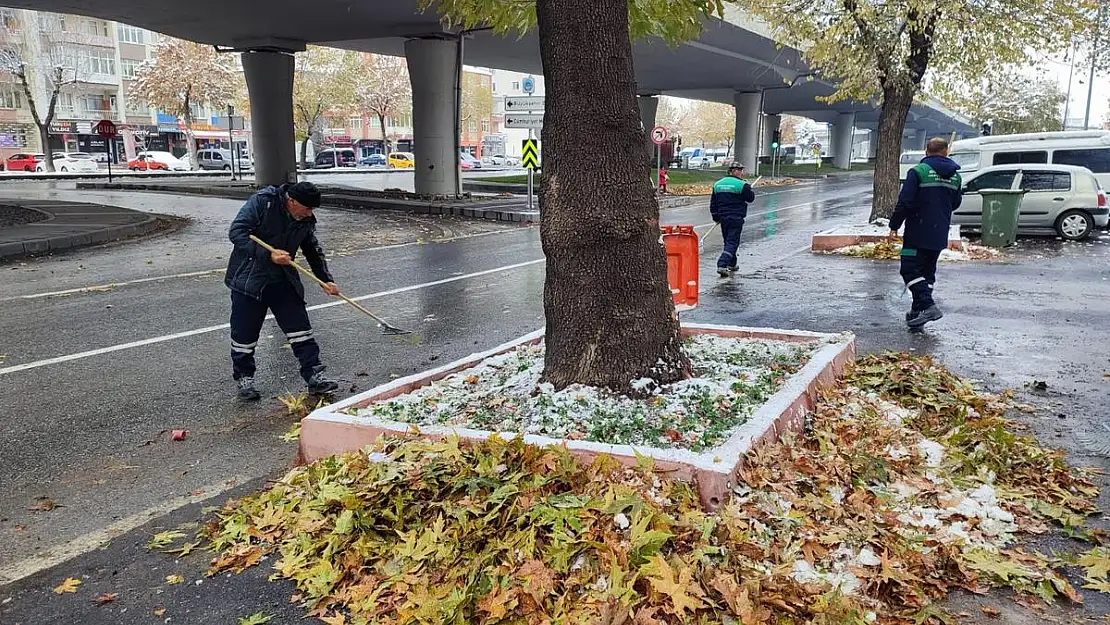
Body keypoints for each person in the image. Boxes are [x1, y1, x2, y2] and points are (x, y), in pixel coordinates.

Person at [224, 181, 341, 400]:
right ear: (291, 201)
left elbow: (313, 250)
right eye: (307, 208)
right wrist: (268, 254)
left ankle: (315, 375)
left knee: (300, 329)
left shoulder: (304, 220)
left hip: (283, 278)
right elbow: (237, 232)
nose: (309, 213)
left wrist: (325, 279)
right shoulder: (263, 202)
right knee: (244, 334)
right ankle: (244, 379)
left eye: (312, 210)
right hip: (249, 280)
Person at [889, 137, 963, 329]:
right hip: (939, 233)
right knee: (927, 273)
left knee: (908, 268)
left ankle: (928, 306)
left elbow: (905, 202)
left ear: (926, 151)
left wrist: (894, 224)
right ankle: (917, 312)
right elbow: (955, 203)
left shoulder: (918, 172)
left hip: (917, 233)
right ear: (946, 151)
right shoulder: (956, 176)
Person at [709, 162, 756, 277]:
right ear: (732, 171)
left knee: (728, 241)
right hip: (736, 217)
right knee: (732, 241)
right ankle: (722, 264)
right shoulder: (742, 185)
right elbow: (750, 198)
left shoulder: (717, 185)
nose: (741, 172)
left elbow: (713, 203)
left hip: (723, 218)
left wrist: (715, 217)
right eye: (739, 170)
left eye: (741, 170)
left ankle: (732, 264)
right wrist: (748, 189)